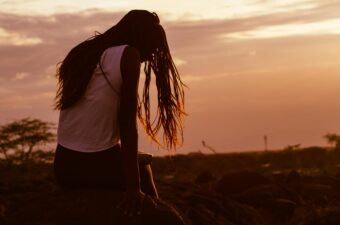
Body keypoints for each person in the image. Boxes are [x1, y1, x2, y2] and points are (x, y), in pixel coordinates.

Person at [53, 10, 185, 216]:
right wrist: (134, 189)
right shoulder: (128, 55)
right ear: (140, 37)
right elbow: (126, 124)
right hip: (96, 165)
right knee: (143, 169)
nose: (150, 55)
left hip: (64, 167)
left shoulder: (82, 53)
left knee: (136, 159)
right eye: (151, 47)